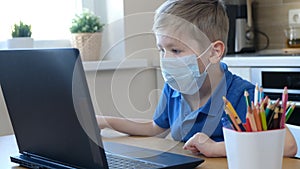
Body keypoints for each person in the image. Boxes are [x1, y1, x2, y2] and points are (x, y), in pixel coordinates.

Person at [96, 0, 297, 157]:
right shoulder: (174, 89)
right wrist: (104, 121)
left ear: (214, 52)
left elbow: (288, 145)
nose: (165, 59)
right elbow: (155, 127)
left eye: (176, 50)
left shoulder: (242, 95)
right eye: (161, 49)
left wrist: (216, 148)